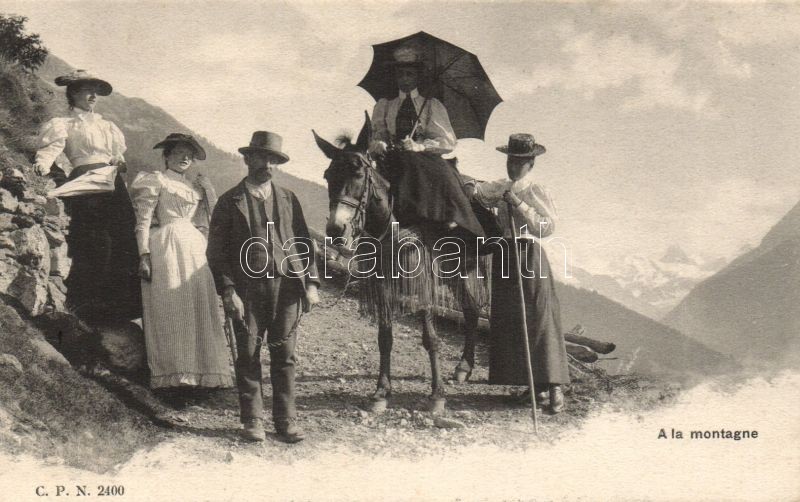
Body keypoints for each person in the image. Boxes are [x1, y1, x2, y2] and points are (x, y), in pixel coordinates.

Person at [207, 131, 320, 443]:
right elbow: (216, 253)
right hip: (247, 291)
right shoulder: (229, 201)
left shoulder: (287, 198)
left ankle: (286, 422)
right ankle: (252, 420)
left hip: (287, 289)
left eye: (273, 159)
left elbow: (304, 244)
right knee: (248, 355)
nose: (267, 164)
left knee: (285, 356)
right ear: (247, 159)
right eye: (261, 157)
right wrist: (228, 292)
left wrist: (311, 282)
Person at [466, 133, 570, 413]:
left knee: (539, 317)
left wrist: (518, 205)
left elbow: (547, 227)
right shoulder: (500, 186)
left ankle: (555, 387)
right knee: (511, 320)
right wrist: (470, 188)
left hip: (528, 254)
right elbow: (476, 193)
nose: (514, 166)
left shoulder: (535, 190)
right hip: (505, 256)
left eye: (520, 162)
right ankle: (532, 385)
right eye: (511, 160)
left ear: (531, 164)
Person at [33, 70, 141, 324]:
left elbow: (119, 159)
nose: (93, 96)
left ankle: (119, 307)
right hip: (85, 183)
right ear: (73, 93)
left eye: (96, 91)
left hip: (113, 184)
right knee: (95, 240)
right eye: (87, 90)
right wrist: (43, 163)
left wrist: (118, 163)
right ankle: (87, 304)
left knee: (123, 238)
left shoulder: (108, 126)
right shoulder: (64, 124)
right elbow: (50, 150)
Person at [131, 133, 234, 391]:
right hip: (166, 245)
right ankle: (174, 375)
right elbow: (143, 220)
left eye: (189, 154)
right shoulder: (156, 180)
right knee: (171, 306)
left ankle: (203, 374)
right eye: (178, 152)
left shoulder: (195, 187)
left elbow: (205, 221)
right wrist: (143, 254)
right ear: (166, 156)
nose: (185, 157)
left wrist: (208, 193)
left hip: (194, 246)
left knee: (198, 305)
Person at [370, 46, 484, 241]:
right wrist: (378, 144)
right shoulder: (385, 105)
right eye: (400, 74)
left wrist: (420, 146)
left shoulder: (431, 105)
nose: (405, 79)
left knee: (444, 173)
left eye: (409, 74)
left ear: (417, 77)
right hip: (391, 158)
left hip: (422, 159)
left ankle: (447, 216)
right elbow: (377, 135)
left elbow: (447, 141)